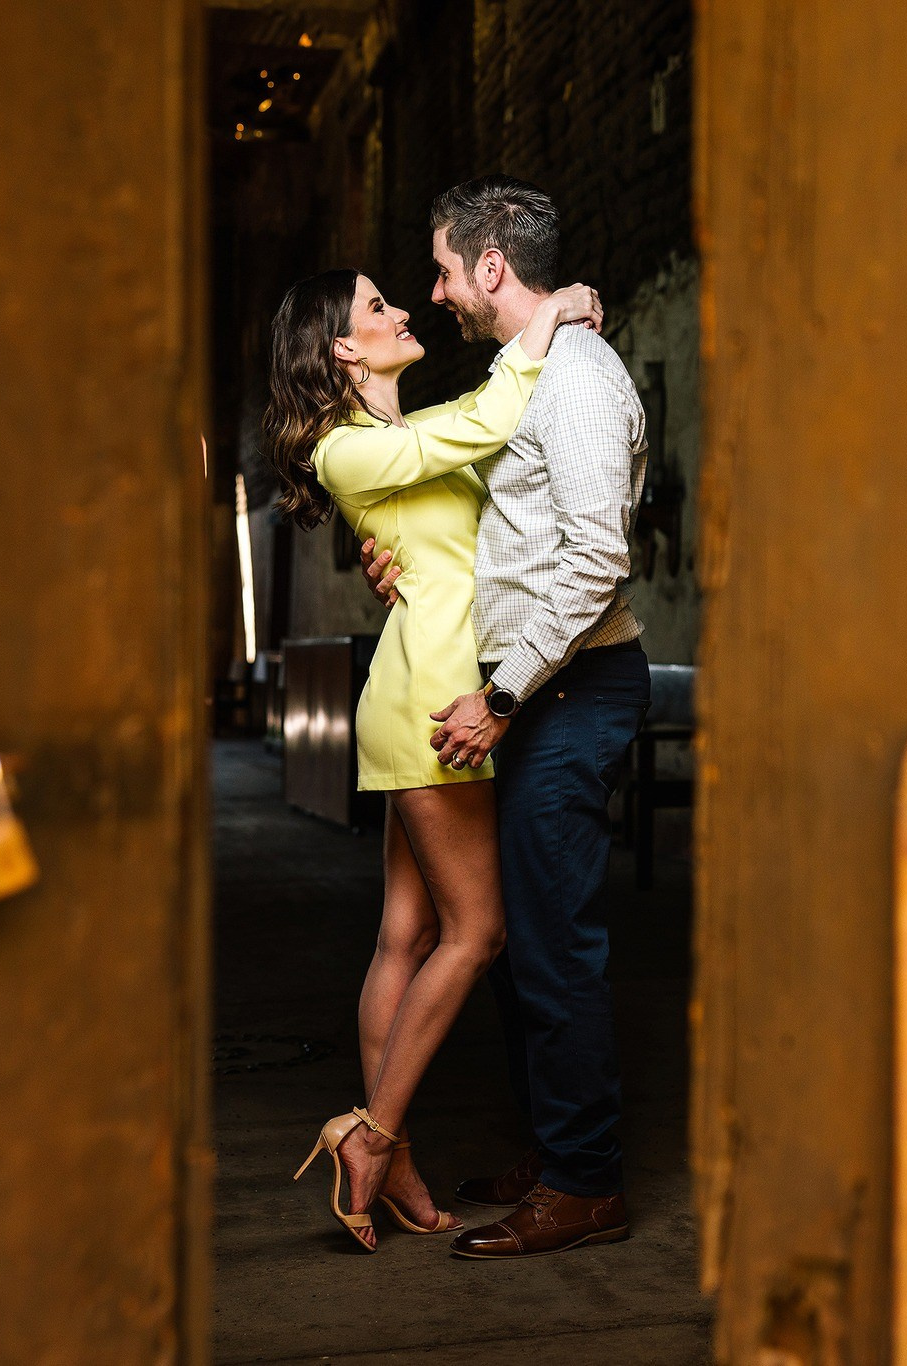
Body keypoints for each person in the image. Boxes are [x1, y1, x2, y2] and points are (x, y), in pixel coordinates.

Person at [265, 265, 603, 1251]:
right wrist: (545, 317)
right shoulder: (347, 449)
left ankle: (392, 1154)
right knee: (476, 934)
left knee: (405, 938)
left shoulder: (385, 446)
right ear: (339, 347)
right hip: (429, 710)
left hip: (420, 694)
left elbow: (455, 531)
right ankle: (369, 1134)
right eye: (377, 306)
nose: (403, 310)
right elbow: (480, 422)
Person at [361, 175, 652, 1260]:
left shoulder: (573, 379)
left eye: (441, 268)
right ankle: (552, 1148)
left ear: (491, 266)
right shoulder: (522, 368)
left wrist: (497, 693)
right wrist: (400, 560)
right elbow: (501, 523)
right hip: (536, 689)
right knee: (524, 935)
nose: (433, 291)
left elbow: (591, 561)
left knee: (554, 944)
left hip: (564, 690)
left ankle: (586, 1183)